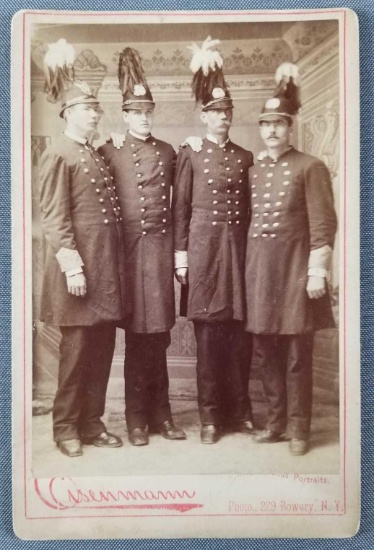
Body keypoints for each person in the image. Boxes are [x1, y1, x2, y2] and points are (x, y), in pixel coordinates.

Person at [39, 40, 129, 457]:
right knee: (75, 357)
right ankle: (65, 429)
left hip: (105, 273)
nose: (95, 113)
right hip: (79, 275)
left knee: (101, 353)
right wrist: (73, 268)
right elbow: (55, 219)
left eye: (96, 108)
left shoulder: (93, 152)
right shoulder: (59, 152)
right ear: (68, 113)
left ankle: (92, 424)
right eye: (87, 108)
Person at [245, 63, 338, 455]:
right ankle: (275, 423)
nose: (272, 131)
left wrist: (317, 271)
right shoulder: (254, 171)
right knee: (266, 353)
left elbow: (324, 224)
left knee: (298, 356)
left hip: (297, 272)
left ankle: (300, 430)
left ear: (290, 126)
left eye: (279, 123)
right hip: (262, 275)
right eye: (266, 124)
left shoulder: (310, 167)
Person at [99, 47, 186, 446]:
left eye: (148, 111)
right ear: (125, 116)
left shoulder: (168, 151)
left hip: (160, 253)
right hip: (129, 258)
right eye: (136, 112)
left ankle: (162, 415)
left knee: (160, 337)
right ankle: (136, 419)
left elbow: (183, 195)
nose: (144, 117)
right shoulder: (109, 150)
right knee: (137, 338)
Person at [172, 37, 255, 444]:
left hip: (238, 257)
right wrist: (182, 257)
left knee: (239, 338)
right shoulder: (191, 153)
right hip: (204, 257)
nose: (223, 117)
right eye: (215, 112)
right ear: (204, 117)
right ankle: (209, 418)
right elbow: (181, 209)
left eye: (227, 111)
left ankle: (240, 411)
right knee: (208, 340)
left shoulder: (245, 157)